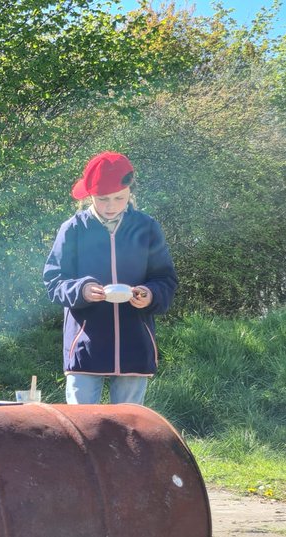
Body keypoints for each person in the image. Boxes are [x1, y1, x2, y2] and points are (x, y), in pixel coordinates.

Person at [42, 151, 177, 405]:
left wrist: (150, 295)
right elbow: (54, 281)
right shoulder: (72, 229)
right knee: (82, 430)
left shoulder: (147, 228)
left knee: (127, 431)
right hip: (84, 346)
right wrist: (81, 290)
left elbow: (165, 279)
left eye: (119, 198)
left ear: (130, 193)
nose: (111, 206)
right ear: (89, 196)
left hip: (135, 344)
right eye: (103, 199)